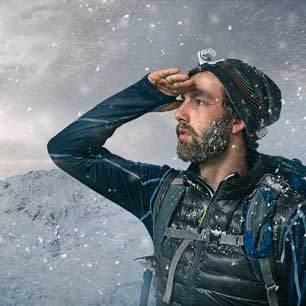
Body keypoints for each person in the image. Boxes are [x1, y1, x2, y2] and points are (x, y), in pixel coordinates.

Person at [47, 49, 306, 306]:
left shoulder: (285, 215)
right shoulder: (162, 193)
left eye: (199, 101)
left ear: (237, 120)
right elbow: (68, 150)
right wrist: (146, 95)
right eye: (182, 100)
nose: (179, 113)